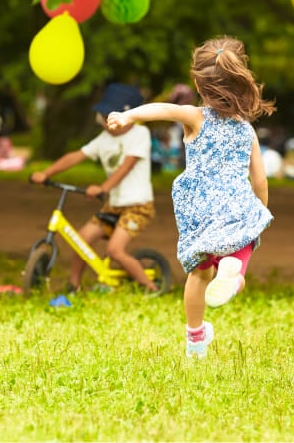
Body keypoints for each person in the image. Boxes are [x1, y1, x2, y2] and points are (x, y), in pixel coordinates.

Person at [107, 36, 275, 359]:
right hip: (236, 204)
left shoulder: (195, 117)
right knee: (236, 255)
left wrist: (129, 117)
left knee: (199, 273)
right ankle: (233, 275)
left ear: (198, 83)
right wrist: (258, 214)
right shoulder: (246, 130)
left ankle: (196, 341)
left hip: (199, 209)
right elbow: (261, 179)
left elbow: (163, 109)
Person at [29, 83, 158, 293]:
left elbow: (127, 166)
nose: (107, 122)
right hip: (113, 205)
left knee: (115, 250)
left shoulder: (139, 134)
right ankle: (74, 285)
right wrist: (46, 173)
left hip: (138, 206)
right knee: (81, 240)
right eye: (104, 116)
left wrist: (102, 187)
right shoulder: (104, 139)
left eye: (111, 116)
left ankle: (151, 287)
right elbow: (76, 156)